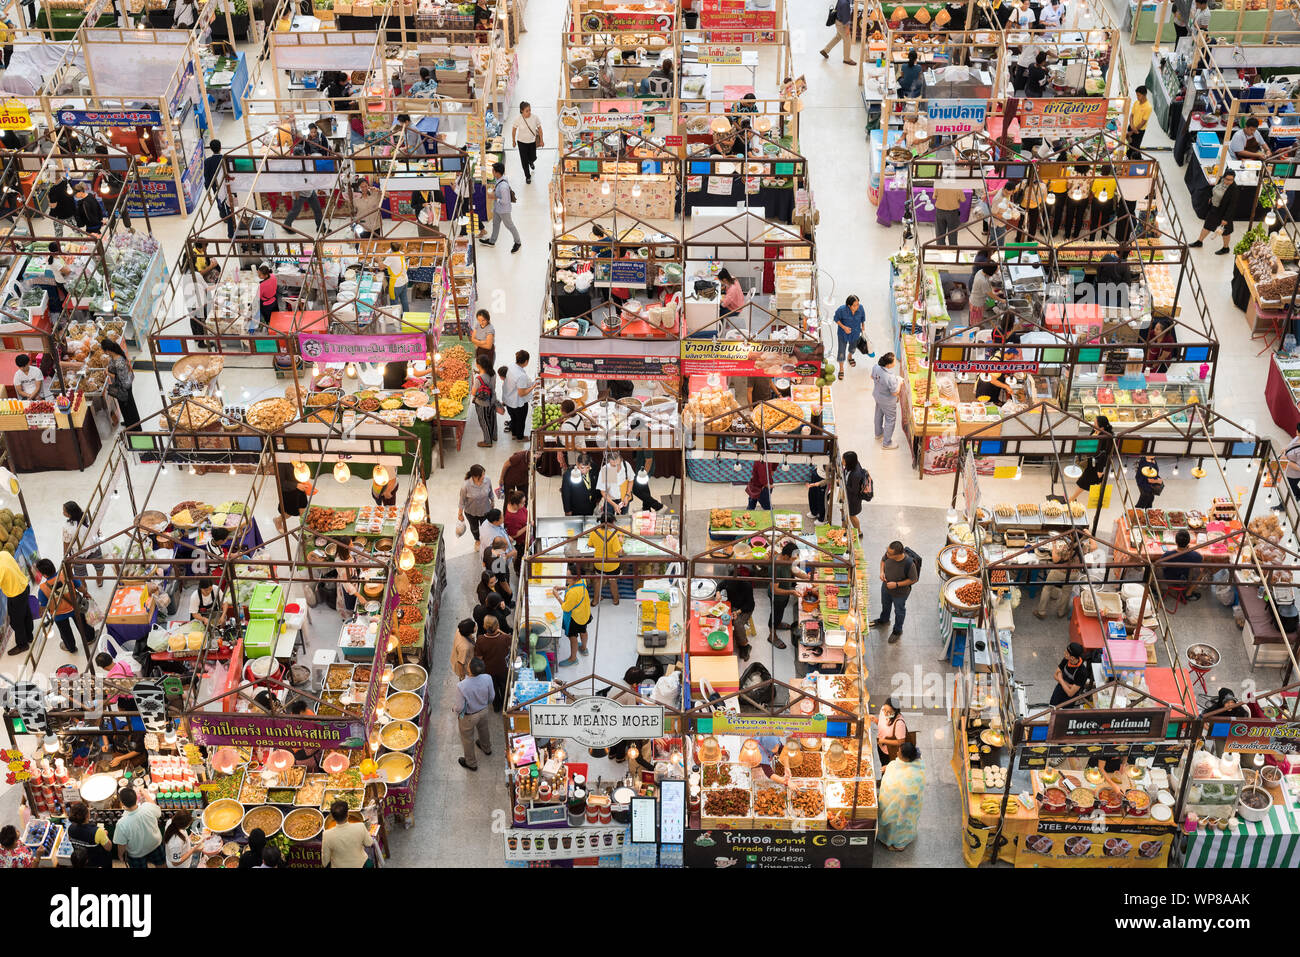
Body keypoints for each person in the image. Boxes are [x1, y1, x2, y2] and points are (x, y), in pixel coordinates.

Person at [877, 742, 925, 851]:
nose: (897, 752)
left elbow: (906, 797)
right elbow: (896, 766)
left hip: (901, 808)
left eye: (899, 751)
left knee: (898, 827)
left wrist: (901, 816)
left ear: (905, 757)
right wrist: (888, 767)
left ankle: (899, 846)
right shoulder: (916, 763)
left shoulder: (911, 778)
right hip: (895, 802)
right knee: (892, 826)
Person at [872, 540, 918, 643]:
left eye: (889, 553)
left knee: (899, 611)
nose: (886, 554)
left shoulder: (909, 564)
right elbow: (883, 561)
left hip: (900, 594)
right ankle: (884, 619)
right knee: (885, 604)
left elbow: (913, 579)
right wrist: (882, 572)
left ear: (897, 555)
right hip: (886, 587)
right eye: (887, 551)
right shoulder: (888, 555)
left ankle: (897, 630)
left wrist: (896, 584)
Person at [454, 658, 496, 772]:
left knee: (467, 738)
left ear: (469, 669)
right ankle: (486, 747)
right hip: (483, 711)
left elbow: (459, 707)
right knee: (484, 729)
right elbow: (492, 696)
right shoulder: (488, 678)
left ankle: (471, 762)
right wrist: (483, 704)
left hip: (469, 716)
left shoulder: (461, 686)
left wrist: (455, 710)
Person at [35, 558, 84, 653]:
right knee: (83, 624)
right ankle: (90, 638)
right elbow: (79, 586)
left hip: (59, 614)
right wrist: (85, 593)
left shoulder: (43, 589)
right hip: (74, 606)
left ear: (43, 574)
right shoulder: (66, 575)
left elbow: (43, 607)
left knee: (65, 633)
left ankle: (71, 648)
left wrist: (41, 613)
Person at [597, 448, 663, 513]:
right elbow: (603, 491)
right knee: (609, 519)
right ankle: (649, 508)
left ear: (621, 460)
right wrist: (613, 504)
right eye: (613, 466)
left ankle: (653, 507)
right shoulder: (606, 470)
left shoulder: (626, 466)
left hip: (624, 499)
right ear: (608, 463)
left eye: (618, 465)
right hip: (610, 501)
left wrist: (627, 496)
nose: (616, 468)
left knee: (624, 518)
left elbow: (631, 480)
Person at [768, 541, 807, 648]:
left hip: (784, 594)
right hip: (777, 596)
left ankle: (779, 623)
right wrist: (792, 592)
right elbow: (774, 590)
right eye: (793, 559)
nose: (794, 561)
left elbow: (793, 570)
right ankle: (772, 635)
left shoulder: (786, 561)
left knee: (780, 613)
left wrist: (808, 577)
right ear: (786, 556)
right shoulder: (776, 567)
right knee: (775, 616)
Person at [1035, 534, 1083, 618]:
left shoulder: (1066, 548)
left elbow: (1055, 559)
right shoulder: (1083, 547)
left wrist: (1054, 544)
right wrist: (1088, 535)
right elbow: (1094, 546)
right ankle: (1061, 612)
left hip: (1059, 572)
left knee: (1047, 589)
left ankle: (1041, 612)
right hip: (1073, 574)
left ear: (1072, 537)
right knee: (1066, 592)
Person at [114, 787, 164, 868]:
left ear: (122, 803)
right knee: (162, 865)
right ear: (136, 798)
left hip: (137, 854)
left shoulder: (121, 823)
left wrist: (120, 855)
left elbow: (121, 844)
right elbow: (155, 807)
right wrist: (145, 793)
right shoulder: (148, 807)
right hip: (155, 845)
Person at [1191, 169, 1236, 255]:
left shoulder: (1234, 189)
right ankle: (1199, 241)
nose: (1228, 181)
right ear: (1224, 177)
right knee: (1207, 225)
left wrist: (1226, 219)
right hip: (1214, 208)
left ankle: (1226, 248)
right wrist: (1211, 198)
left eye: (1231, 180)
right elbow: (1215, 189)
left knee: (1225, 232)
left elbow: (1232, 206)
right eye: (1227, 179)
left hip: (1224, 212)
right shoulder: (1221, 181)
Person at [1070, 415, 1113, 503]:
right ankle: (1100, 499)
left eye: (1095, 424)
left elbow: (1103, 455)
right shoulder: (1096, 430)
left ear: (1102, 427)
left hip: (1097, 465)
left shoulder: (1106, 438)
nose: (1093, 425)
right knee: (1095, 482)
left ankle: (1072, 499)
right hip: (1091, 461)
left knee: (1085, 482)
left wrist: (1100, 470)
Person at [481, 162, 521, 252]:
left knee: (510, 226)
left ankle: (518, 242)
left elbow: (505, 201)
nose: (492, 172)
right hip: (497, 209)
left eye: (493, 171)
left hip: (504, 210)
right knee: (495, 224)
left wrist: (494, 197)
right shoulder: (500, 179)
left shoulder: (503, 186)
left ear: (497, 173)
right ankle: (492, 241)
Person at [555, 571, 592, 665]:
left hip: (575, 618)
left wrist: (557, 596)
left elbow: (565, 608)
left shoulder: (572, 593)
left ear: (575, 578)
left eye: (568, 576)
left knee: (573, 637)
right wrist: (561, 588)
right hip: (584, 613)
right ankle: (584, 648)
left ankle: (573, 659)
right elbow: (573, 586)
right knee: (583, 631)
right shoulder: (582, 580)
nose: (566, 577)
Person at [0, 549, 32, 656]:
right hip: (24, 585)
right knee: (26, 612)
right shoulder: (4, 554)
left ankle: (22, 645)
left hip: (15, 594)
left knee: (16, 621)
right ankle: (29, 636)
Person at [474, 614, 510, 710]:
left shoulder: (481, 639)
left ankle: (497, 706)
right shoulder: (505, 638)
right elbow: (511, 639)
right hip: (503, 668)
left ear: (484, 626)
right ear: (497, 626)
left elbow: (479, 657)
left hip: (489, 670)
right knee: (504, 687)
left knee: (492, 689)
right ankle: (505, 704)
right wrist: (500, 631)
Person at [321, 799, 373, 866]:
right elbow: (369, 843)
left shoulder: (327, 835)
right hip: (360, 864)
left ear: (333, 817)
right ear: (347, 814)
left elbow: (325, 860)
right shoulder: (360, 826)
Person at [588, 515, 624, 607]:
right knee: (612, 582)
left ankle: (595, 600)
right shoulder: (613, 536)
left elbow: (590, 545)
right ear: (611, 523)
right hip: (612, 566)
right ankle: (615, 600)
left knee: (598, 581)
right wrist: (621, 541)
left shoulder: (594, 532)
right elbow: (618, 552)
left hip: (599, 564)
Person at [1158, 529, 1203, 601]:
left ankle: (1159, 592)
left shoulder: (1168, 555)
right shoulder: (1195, 555)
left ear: (1176, 542)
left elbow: (1158, 564)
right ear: (1188, 542)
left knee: (1154, 568)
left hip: (1170, 579)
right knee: (1203, 571)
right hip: (1187, 579)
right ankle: (1189, 593)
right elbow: (1201, 559)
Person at [65, 802, 113, 868]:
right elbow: (108, 848)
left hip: (81, 862)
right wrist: (105, 835)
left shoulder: (70, 828)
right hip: (96, 862)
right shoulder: (98, 832)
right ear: (87, 816)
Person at [871, 353, 902, 450]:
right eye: (893, 361)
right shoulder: (890, 376)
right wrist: (900, 382)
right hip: (888, 401)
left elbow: (872, 377)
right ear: (888, 365)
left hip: (877, 395)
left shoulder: (876, 367)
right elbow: (895, 392)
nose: (895, 362)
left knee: (878, 414)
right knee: (890, 420)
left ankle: (878, 433)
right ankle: (887, 443)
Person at [457, 463, 495, 541]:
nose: (484, 476)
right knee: (474, 528)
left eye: (484, 474)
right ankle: (477, 540)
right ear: (475, 477)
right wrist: (460, 514)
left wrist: (492, 501)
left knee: (485, 527)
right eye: (482, 475)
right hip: (471, 512)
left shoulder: (487, 480)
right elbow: (462, 501)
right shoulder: (465, 486)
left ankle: (484, 539)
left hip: (485, 510)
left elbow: (490, 492)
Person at [724, 571, 755, 661]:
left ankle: (745, 646)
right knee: (722, 617)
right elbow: (721, 585)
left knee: (737, 624)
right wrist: (718, 592)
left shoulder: (747, 586)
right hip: (733, 606)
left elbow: (750, 605)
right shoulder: (728, 581)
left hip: (745, 609)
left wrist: (737, 612)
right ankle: (732, 637)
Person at [502, 350, 532, 440]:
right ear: (526, 362)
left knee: (513, 418)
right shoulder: (521, 375)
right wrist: (533, 387)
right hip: (517, 403)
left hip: (508, 399)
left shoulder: (511, 366)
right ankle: (520, 437)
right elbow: (521, 393)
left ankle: (514, 434)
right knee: (520, 420)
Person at [832, 295, 865, 378]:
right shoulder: (841, 310)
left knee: (853, 347)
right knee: (841, 351)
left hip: (856, 332)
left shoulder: (860, 308)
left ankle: (850, 356)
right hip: (843, 334)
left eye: (858, 304)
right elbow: (836, 319)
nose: (857, 307)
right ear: (849, 306)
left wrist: (863, 326)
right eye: (855, 305)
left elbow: (862, 318)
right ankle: (841, 369)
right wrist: (844, 327)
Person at [1051, 641, 1091, 707]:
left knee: (1062, 714)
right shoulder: (1066, 660)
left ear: (1072, 657)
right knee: (1052, 707)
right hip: (1058, 690)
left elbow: (1070, 693)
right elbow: (1055, 676)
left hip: (1068, 699)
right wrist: (1069, 685)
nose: (1064, 653)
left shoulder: (1082, 672)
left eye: (1066, 652)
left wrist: (1060, 679)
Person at [471, 353, 498, 448]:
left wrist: (473, 384)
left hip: (482, 403)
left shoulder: (478, 379)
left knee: (484, 421)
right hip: (492, 399)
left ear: (479, 365)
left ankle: (487, 441)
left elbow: (473, 393)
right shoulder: (493, 373)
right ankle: (494, 436)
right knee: (492, 419)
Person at [842, 450, 871, 536]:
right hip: (847, 496)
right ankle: (843, 528)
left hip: (853, 499)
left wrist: (842, 484)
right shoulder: (853, 465)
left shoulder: (856, 474)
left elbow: (854, 490)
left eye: (844, 461)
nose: (842, 462)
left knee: (852, 515)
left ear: (849, 463)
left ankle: (859, 532)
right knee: (844, 512)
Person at [512, 101, 541, 184]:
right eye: (527, 111)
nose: (529, 112)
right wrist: (513, 141)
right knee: (524, 161)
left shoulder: (535, 117)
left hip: (532, 142)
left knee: (533, 157)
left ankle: (531, 161)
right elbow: (514, 130)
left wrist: (541, 140)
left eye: (530, 110)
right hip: (521, 143)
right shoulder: (518, 119)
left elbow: (540, 129)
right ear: (521, 111)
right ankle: (527, 176)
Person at [820, 0, 856, 64]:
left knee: (838, 37)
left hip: (838, 21)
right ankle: (847, 59)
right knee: (847, 40)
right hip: (842, 24)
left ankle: (825, 50)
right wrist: (847, 28)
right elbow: (846, 17)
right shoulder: (846, 4)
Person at [876, 698, 909, 767]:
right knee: (882, 763)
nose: (885, 713)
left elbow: (901, 742)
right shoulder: (884, 710)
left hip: (889, 751)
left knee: (887, 769)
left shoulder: (899, 723)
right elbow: (883, 725)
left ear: (895, 711)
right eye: (884, 710)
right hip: (880, 745)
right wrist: (875, 720)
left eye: (888, 712)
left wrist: (883, 740)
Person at [503, 489, 528, 576]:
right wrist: (527, 527)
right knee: (520, 560)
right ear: (515, 504)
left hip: (525, 538)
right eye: (522, 503)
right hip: (519, 543)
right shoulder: (511, 518)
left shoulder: (516, 507)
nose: (524, 504)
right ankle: (519, 572)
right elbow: (514, 534)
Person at [383, 242, 409, 314]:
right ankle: (406, 316)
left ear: (391, 248)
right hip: (404, 280)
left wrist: (378, 258)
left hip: (396, 284)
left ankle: (396, 318)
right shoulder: (401, 253)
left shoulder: (390, 258)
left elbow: (381, 267)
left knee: (394, 302)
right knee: (404, 300)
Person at [1128, 86, 1152, 158]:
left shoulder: (1148, 107)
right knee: (1128, 145)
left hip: (1139, 131)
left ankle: (1136, 161)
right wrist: (1131, 125)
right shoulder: (1136, 103)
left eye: (1139, 95)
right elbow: (1131, 115)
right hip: (1132, 128)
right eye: (1137, 95)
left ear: (1144, 95)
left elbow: (1143, 122)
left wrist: (1133, 130)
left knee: (1135, 148)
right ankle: (1128, 159)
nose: (1137, 97)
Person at [1282, 424, 1300, 501]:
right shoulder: (1297, 438)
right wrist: (1285, 448)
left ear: (1298, 432)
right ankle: (1299, 495)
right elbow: (1292, 445)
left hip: (1293, 475)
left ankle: (1282, 506)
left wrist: (1286, 460)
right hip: (1288, 470)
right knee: (1293, 486)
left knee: (1288, 489)